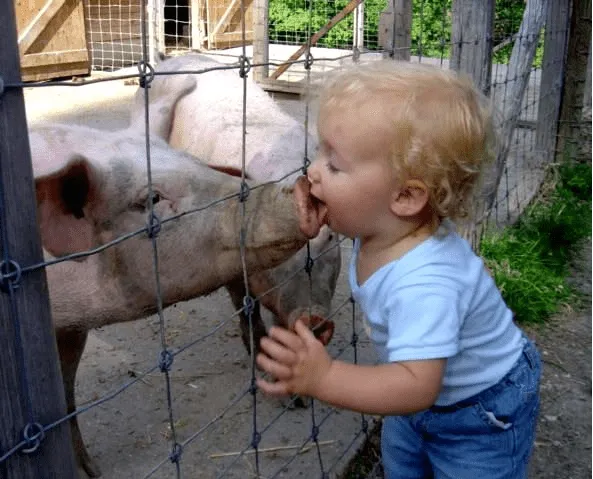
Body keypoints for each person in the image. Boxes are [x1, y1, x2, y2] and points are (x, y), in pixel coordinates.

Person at [255, 61, 541, 479]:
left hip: (480, 412)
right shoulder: (389, 227)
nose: (313, 170)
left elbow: (414, 385)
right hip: (417, 404)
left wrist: (325, 376)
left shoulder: (426, 282)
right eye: (320, 152)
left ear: (406, 196)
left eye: (334, 164)